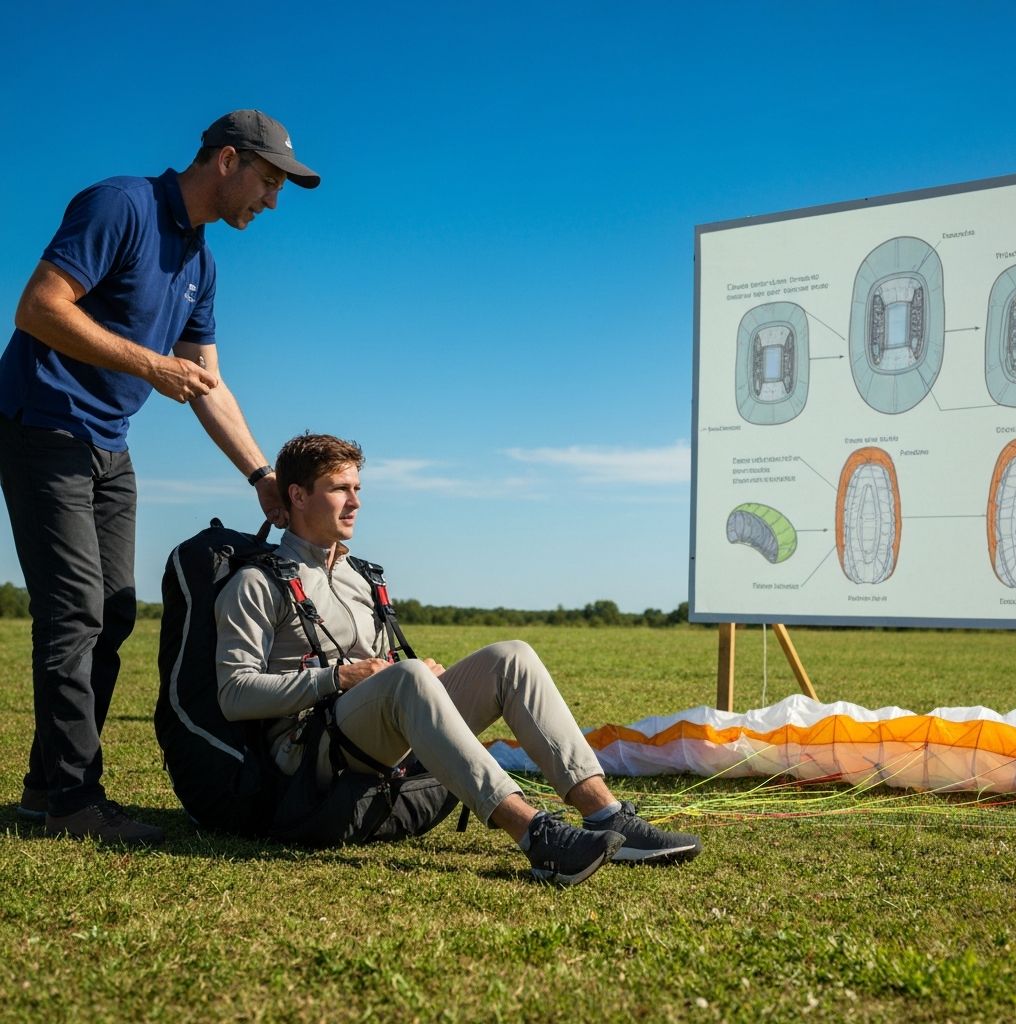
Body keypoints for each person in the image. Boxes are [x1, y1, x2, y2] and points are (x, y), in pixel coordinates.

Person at [0, 110, 320, 846]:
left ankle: (45, 789)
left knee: (114, 612)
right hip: (41, 427)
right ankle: (74, 802)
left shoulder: (201, 265)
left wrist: (260, 474)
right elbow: (38, 308)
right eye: (269, 181)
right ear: (228, 160)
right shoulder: (120, 205)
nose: (272, 201)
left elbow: (207, 382)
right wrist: (149, 363)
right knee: (74, 614)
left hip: (109, 445)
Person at [214, 433, 702, 886]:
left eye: (357, 488)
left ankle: (606, 814)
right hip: (307, 752)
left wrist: (411, 679)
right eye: (340, 489)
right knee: (408, 677)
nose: (356, 502)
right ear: (298, 496)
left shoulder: (361, 577)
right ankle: (537, 836)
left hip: (373, 730)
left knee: (512, 657)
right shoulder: (256, 583)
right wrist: (341, 677)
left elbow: (380, 672)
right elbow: (233, 694)